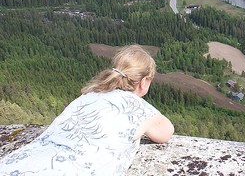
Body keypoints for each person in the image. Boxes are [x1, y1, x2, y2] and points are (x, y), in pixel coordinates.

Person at [0, 44, 174, 175]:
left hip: (26, 161)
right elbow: (166, 132)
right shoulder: (140, 109)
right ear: (144, 82)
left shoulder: (88, 96)